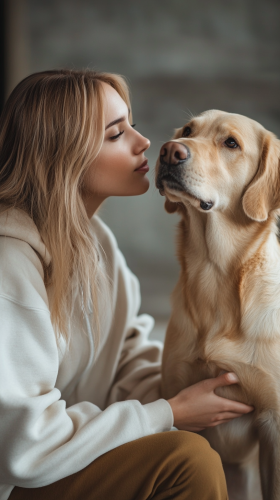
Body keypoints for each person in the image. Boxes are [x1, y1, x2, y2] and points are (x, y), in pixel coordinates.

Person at [0, 70, 254, 500]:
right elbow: (23, 446)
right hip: (17, 481)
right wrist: (168, 413)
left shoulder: (96, 244)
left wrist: (205, 383)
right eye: (117, 134)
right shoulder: (10, 265)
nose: (145, 143)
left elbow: (125, 363)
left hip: (56, 467)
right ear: (66, 154)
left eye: (132, 124)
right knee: (187, 460)